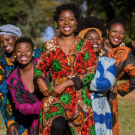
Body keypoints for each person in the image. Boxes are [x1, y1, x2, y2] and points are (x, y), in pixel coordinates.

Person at [34, 3, 96, 135]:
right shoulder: (49, 45)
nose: (66, 22)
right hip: (55, 96)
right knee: (55, 126)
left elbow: (90, 72)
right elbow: (39, 68)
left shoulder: (86, 45)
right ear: (57, 22)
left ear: (76, 22)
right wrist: (39, 80)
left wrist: (65, 84)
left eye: (71, 19)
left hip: (80, 98)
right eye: (62, 19)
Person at [77, 16, 116, 135]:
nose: (95, 41)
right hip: (81, 110)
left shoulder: (109, 62)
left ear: (102, 41)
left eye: (97, 38)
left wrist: (81, 81)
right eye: (90, 38)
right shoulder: (77, 63)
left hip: (101, 110)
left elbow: (107, 83)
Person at [0, 24, 41, 135]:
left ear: (16, 38)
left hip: (42, 107)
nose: (5, 44)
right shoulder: (2, 67)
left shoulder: (37, 54)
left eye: (8, 40)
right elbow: (3, 97)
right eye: (1, 42)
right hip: (19, 113)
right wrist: (10, 122)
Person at [102, 18, 135, 135]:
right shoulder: (95, 45)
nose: (118, 35)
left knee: (109, 129)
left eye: (121, 33)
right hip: (88, 95)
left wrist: (120, 89)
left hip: (110, 99)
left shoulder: (125, 53)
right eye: (114, 31)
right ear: (107, 31)